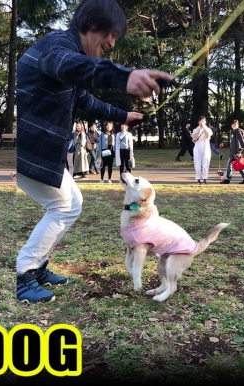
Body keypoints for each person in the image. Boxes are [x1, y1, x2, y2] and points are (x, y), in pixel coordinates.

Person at [15, 0, 170, 303]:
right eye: (111, 34)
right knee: (64, 207)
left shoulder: (68, 57)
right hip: (29, 152)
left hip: (44, 153)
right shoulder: (58, 48)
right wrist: (123, 76)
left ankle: (38, 265)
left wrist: (123, 116)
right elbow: (73, 66)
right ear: (92, 25)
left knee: (73, 201)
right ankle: (25, 275)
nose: (112, 43)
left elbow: (85, 100)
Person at [192, 115, 212, 185]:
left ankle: (205, 178)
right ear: (198, 122)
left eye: (203, 121)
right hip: (198, 146)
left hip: (205, 147)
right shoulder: (195, 129)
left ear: (205, 122)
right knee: (197, 162)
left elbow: (207, 135)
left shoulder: (208, 129)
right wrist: (199, 129)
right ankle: (198, 178)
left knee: (205, 163)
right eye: (201, 121)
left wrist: (204, 127)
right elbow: (194, 137)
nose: (202, 122)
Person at [222, 120, 243, 184]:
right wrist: (224, 144)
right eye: (233, 124)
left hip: (236, 153)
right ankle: (228, 178)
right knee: (239, 166)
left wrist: (239, 151)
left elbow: (240, 142)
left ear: (238, 125)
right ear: (231, 125)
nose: (234, 125)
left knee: (229, 165)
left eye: (235, 124)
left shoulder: (238, 132)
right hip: (233, 152)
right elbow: (231, 142)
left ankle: (228, 179)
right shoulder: (233, 132)